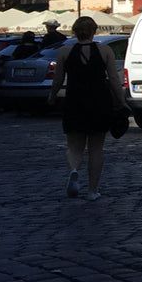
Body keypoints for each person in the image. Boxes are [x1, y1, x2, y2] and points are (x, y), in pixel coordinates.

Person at [48, 16, 129, 201]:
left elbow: (58, 79)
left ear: (75, 32)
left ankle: (74, 170)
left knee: (74, 146)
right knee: (96, 148)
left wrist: (52, 97)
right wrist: (121, 101)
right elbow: (114, 80)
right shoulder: (105, 50)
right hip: (99, 101)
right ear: (94, 31)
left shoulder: (64, 52)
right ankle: (92, 190)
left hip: (74, 100)